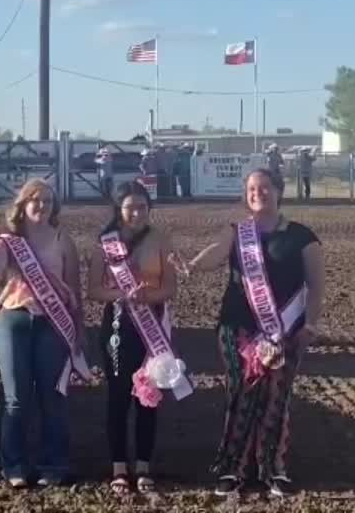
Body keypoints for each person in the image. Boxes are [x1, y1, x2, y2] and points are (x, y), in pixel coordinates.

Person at [185, 168, 325, 499]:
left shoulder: (302, 236)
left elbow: (316, 286)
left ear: (279, 191)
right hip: (238, 329)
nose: (257, 193)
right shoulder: (238, 232)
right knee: (241, 393)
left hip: (285, 332)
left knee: (277, 396)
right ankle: (231, 468)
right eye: (251, 189)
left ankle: (273, 469)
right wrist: (192, 265)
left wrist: (312, 324)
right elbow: (214, 253)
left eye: (264, 188)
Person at [0, 179, 87, 489]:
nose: (42, 206)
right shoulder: (8, 237)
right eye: (35, 200)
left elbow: (74, 289)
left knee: (53, 397)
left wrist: (79, 329)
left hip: (53, 324)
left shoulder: (63, 240)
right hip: (14, 319)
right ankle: (13, 465)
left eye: (48, 201)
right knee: (16, 399)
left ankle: (54, 464)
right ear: (23, 204)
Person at [86, 181, 181, 495]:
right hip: (116, 327)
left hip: (153, 327)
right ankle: (118, 466)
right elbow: (94, 290)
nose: (137, 213)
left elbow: (171, 287)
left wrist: (149, 295)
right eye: (130, 207)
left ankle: (142, 465)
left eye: (142, 207)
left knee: (148, 397)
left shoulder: (161, 239)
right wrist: (124, 294)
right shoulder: (105, 243)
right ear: (119, 209)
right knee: (117, 397)